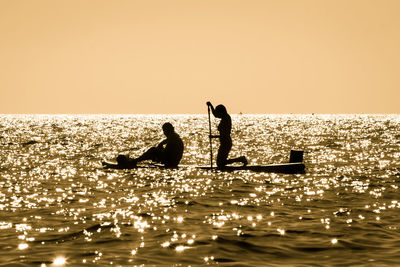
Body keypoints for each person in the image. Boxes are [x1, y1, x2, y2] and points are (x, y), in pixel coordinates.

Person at [104, 122, 184, 169]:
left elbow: (167, 153)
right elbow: (164, 143)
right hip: (171, 161)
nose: (164, 133)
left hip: (171, 163)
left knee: (153, 150)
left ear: (168, 130)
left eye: (165, 131)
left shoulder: (173, 139)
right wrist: (160, 145)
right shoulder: (174, 137)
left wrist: (157, 153)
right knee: (155, 150)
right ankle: (135, 160)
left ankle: (134, 161)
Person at [206, 101, 247, 169]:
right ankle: (241, 159)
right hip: (223, 143)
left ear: (221, 112)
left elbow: (225, 134)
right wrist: (211, 106)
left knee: (220, 163)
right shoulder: (224, 117)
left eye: (218, 112)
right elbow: (215, 115)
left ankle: (241, 159)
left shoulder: (226, 119)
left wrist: (214, 137)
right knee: (220, 163)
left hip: (226, 143)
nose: (217, 115)